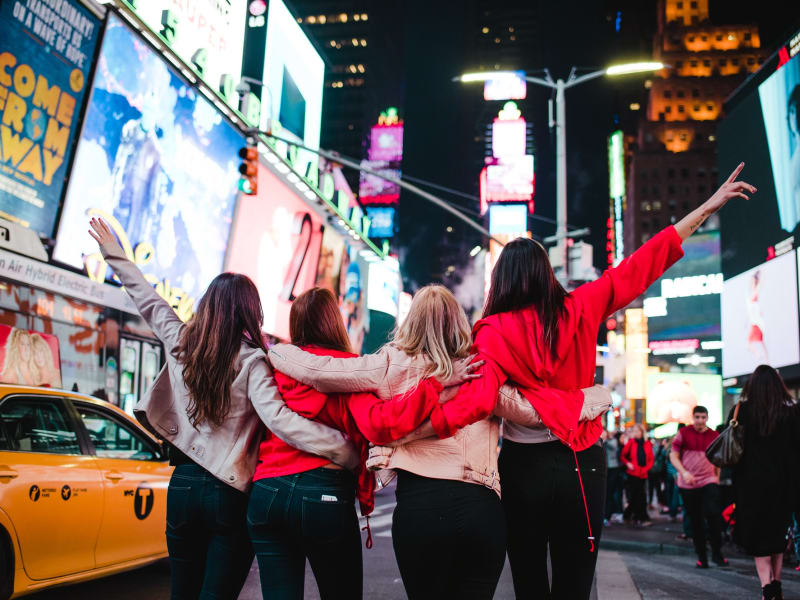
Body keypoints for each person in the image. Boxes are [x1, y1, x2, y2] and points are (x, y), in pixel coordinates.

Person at [268, 285, 610, 599]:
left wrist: (276, 353)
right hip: (481, 510)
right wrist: (597, 397)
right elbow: (531, 410)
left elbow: (321, 370)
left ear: (411, 322)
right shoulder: (479, 367)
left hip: (420, 510)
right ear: (459, 321)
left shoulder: (387, 364)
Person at [89, 218, 360, 600]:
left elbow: (148, 299)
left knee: (182, 591)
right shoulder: (254, 362)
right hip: (227, 493)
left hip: (181, 485)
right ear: (251, 312)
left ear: (207, 305)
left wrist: (114, 254)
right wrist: (342, 448)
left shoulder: (182, 341)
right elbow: (281, 422)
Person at [248, 287, 468, 599]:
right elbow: (382, 423)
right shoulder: (350, 373)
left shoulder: (277, 367)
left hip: (267, 491)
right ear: (335, 322)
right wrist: (434, 385)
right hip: (322, 492)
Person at [731, 365, 800, 600]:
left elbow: (734, 452)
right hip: (783, 485)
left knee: (758, 537)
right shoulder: (791, 413)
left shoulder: (741, 411)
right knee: (777, 537)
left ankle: (767, 587)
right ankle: (777, 585)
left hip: (751, 486)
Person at [670, 405, 727, 568]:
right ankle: (702, 557)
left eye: (703, 417)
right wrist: (684, 473)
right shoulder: (683, 433)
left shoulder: (714, 435)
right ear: (693, 417)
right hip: (688, 484)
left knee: (714, 516)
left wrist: (717, 477)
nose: (700, 421)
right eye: (697, 417)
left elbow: (718, 459)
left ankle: (717, 553)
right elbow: (673, 456)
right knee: (696, 521)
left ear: (707, 418)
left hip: (708, 481)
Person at [621, 425, 653, 526]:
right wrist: (628, 464)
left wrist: (646, 469)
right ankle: (642, 518)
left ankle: (629, 515)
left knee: (639, 496)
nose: (636, 433)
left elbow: (651, 459)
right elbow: (623, 456)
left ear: (642, 432)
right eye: (634, 431)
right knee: (637, 496)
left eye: (638, 431)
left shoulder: (648, 443)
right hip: (632, 473)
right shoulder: (631, 442)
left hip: (643, 473)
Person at [602, 430, 624, 524]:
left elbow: (613, 448)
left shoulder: (612, 441)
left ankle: (608, 515)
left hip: (613, 469)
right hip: (604, 469)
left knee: (610, 493)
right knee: (605, 493)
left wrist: (605, 440)